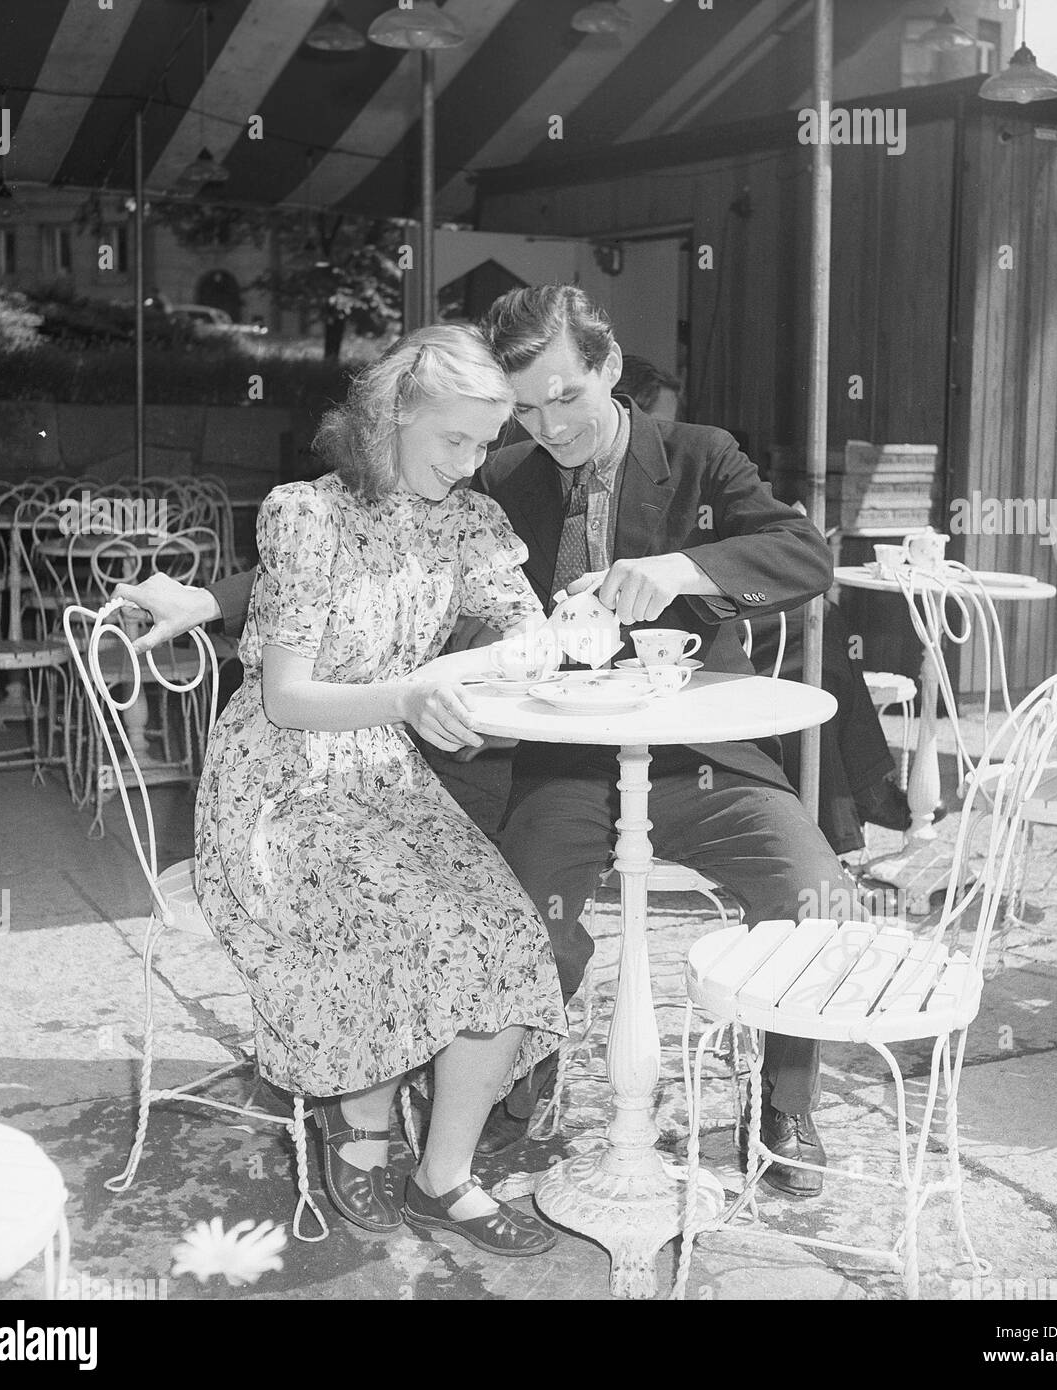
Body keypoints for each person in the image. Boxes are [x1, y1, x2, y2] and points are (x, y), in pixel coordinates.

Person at [118, 286, 862, 1197]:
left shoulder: (702, 461)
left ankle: (785, 1103)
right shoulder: (496, 473)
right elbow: (353, 539)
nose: (547, 427)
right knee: (525, 920)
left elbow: (807, 557)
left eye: (564, 397)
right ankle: (514, 1081)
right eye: (527, 408)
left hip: (698, 760)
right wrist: (207, 600)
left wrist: (683, 569)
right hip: (565, 767)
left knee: (813, 890)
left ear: (610, 369)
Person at [186, 324, 566, 1255]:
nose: (472, 463)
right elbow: (286, 696)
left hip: (383, 774)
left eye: (485, 443)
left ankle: (444, 1174)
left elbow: (534, 630)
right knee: (404, 918)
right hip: (280, 781)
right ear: (395, 414)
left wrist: (525, 646)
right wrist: (412, 692)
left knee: (506, 930)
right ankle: (357, 1131)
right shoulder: (306, 516)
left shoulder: (469, 521)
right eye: (453, 440)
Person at [616, 356, 912, 853]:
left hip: (709, 620)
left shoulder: (695, 457)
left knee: (812, 650)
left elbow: (793, 550)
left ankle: (856, 802)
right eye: (660, 419)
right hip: (662, 644)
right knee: (810, 645)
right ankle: (865, 794)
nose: (666, 431)